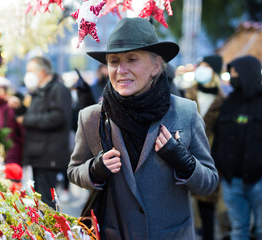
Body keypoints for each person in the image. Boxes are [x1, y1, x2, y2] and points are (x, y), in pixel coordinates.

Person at [67, 17, 219, 239]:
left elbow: (209, 183)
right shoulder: (91, 117)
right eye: (113, 61)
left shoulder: (185, 112)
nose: (121, 70)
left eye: (132, 59)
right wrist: (94, 169)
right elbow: (73, 171)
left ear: (156, 66)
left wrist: (184, 162)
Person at [212, 55, 262, 240]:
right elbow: (219, 137)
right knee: (238, 230)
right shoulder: (228, 103)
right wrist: (219, 166)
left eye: (235, 73)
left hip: (259, 182)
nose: (231, 77)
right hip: (232, 182)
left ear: (247, 74)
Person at [22, 56, 72, 208]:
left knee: (47, 203)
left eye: (30, 71)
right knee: (40, 201)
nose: (28, 75)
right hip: (38, 155)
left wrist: (28, 120)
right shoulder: (39, 91)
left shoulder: (58, 89)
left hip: (49, 155)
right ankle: (44, 230)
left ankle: (50, 231)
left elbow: (58, 118)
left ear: (41, 71)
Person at [185, 54, 225, 240]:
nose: (202, 69)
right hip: (184, 154)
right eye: (201, 65)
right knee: (185, 207)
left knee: (207, 208)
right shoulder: (186, 95)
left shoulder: (223, 101)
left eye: (207, 66)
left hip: (211, 156)